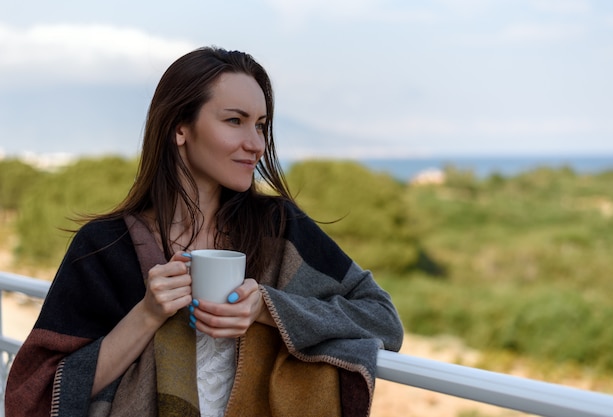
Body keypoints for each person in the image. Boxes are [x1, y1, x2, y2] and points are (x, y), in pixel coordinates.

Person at [5, 47, 403, 417]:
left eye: (261, 125)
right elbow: (36, 389)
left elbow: (383, 320)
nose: (256, 144)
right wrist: (147, 314)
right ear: (181, 128)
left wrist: (267, 309)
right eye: (235, 121)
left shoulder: (279, 228)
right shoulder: (106, 245)